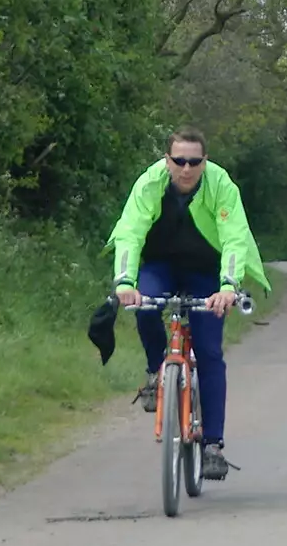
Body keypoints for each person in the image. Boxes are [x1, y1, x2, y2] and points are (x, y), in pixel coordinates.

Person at [105, 127, 271, 479]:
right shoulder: (150, 183)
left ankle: (213, 445)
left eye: (194, 161)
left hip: (206, 271)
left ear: (204, 161)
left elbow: (234, 238)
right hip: (159, 265)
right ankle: (155, 373)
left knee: (209, 353)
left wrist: (228, 286)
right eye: (178, 160)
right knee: (146, 307)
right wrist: (125, 282)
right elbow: (130, 231)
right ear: (167, 160)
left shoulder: (220, 185)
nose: (186, 168)